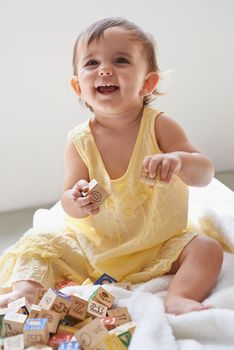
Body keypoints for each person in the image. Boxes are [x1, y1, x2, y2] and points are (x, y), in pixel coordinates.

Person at [0, 17, 223, 315]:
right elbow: (67, 198)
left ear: (148, 82)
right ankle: (25, 294)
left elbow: (204, 173)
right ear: (78, 86)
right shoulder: (79, 140)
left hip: (158, 242)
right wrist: (76, 200)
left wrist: (179, 161)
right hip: (97, 248)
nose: (105, 69)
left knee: (206, 248)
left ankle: (179, 296)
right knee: (37, 242)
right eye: (92, 63)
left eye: (120, 60)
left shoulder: (159, 126)